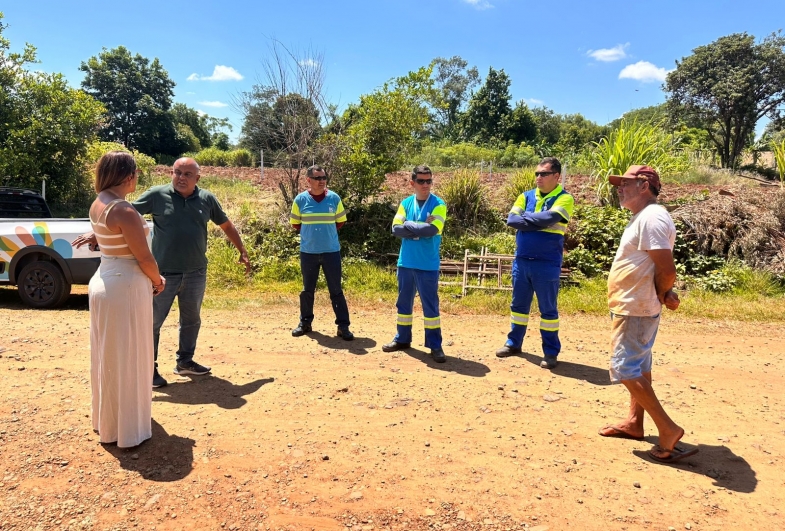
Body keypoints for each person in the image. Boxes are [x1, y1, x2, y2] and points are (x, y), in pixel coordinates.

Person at [76, 157, 250, 388]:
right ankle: (149, 369)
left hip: (196, 272)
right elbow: (118, 215)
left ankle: (185, 362)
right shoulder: (156, 195)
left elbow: (226, 225)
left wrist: (242, 250)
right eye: (177, 172)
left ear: (197, 178)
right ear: (171, 173)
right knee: (152, 323)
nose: (181, 178)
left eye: (188, 174)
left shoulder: (207, 199)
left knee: (191, 320)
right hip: (162, 273)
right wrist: (96, 233)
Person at [598, 165, 698, 463]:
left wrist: (663, 290)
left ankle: (667, 429)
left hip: (636, 305)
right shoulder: (644, 217)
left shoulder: (652, 217)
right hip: (636, 303)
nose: (619, 188)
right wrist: (663, 291)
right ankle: (634, 422)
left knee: (624, 368)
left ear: (644, 186)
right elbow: (658, 269)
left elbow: (667, 269)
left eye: (625, 183)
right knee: (639, 365)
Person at [88, 151, 165, 448]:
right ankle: (127, 429)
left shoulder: (99, 202)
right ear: (127, 175)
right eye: (135, 172)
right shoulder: (124, 211)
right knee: (129, 354)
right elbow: (143, 257)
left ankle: (108, 420)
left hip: (105, 278)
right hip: (125, 286)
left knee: (110, 354)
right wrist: (158, 281)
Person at [495, 157, 574, 369]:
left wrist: (527, 218)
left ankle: (550, 353)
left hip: (547, 262)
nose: (538, 177)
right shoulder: (525, 196)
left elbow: (550, 219)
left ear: (556, 176)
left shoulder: (565, 198)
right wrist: (538, 218)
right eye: (537, 174)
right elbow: (512, 221)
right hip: (522, 261)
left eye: (544, 174)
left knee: (548, 310)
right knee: (518, 306)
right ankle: (513, 343)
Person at [382, 165, 448, 363]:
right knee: (403, 304)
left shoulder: (439, 204)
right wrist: (419, 227)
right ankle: (402, 339)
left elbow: (432, 230)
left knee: (430, 308)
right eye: (421, 181)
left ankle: (435, 346)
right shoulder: (405, 203)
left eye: (429, 180)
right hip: (406, 262)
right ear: (412, 183)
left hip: (427, 264)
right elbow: (395, 229)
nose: (426, 184)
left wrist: (409, 226)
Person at [289, 165, 353, 340]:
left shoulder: (334, 198)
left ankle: (343, 326)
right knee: (307, 290)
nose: (321, 181)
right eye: (317, 178)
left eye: (324, 177)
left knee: (336, 290)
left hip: (331, 252)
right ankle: (305, 323)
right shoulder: (300, 200)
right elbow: (296, 224)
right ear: (308, 180)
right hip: (308, 252)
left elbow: (340, 222)